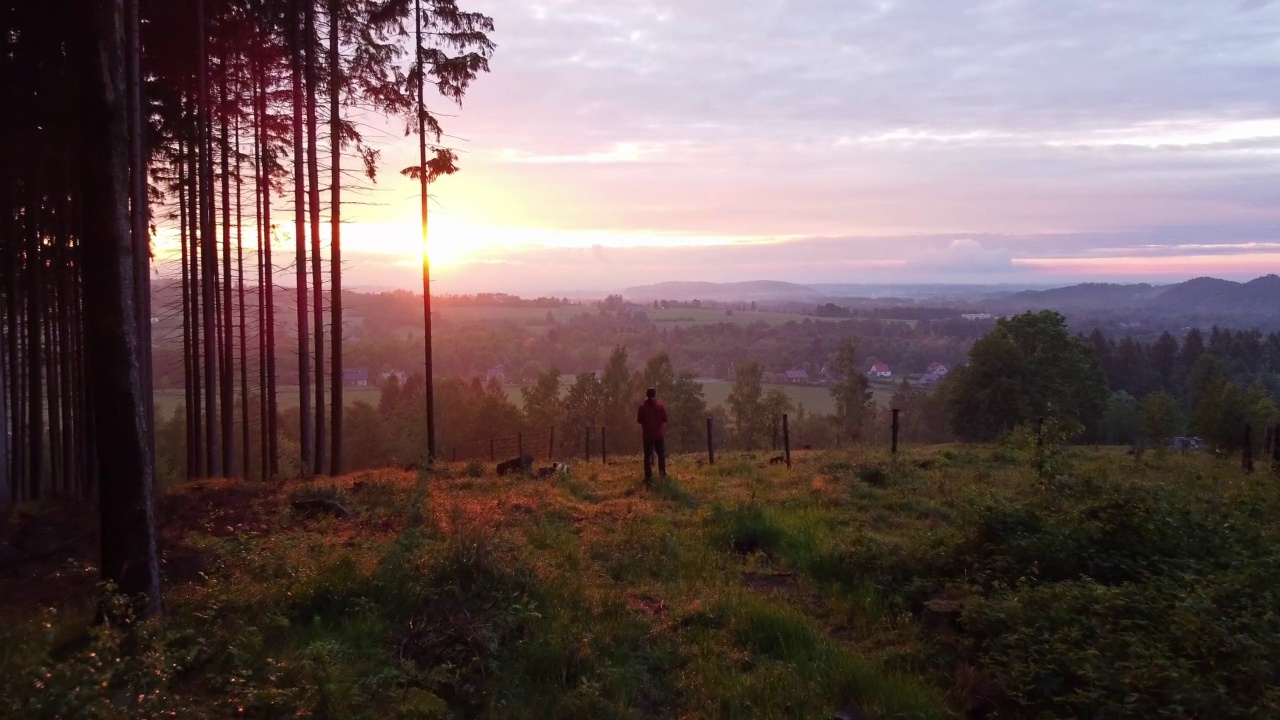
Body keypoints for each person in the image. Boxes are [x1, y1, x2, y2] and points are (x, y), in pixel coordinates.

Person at [637, 387, 668, 484]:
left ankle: (648, 477)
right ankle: (662, 474)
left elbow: (639, 420)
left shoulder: (642, 408)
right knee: (661, 455)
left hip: (647, 435)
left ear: (647, 395)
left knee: (647, 456)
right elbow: (665, 419)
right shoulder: (660, 407)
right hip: (659, 434)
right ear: (655, 395)